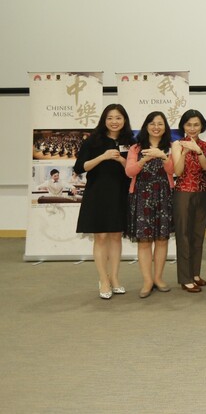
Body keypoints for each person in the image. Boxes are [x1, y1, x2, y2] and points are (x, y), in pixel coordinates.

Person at [74, 104, 134, 300]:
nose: (114, 121)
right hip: (98, 194)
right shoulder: (93, 140)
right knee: (100, 237)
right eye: (110, 118)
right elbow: (80, 167)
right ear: (104, 120)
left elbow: (133, 171)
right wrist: (103, 156)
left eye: (118, 118)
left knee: (116, 236)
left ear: (124, 120)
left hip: (120, 194)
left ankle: (115, 278)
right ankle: (103, 280)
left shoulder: (131, 142)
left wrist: (122, 161)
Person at [125, 111, 175, 298]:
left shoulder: (170, 147)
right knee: (144, 241)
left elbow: (174, 170)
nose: (156, 127)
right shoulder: (136, 148)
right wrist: (145, 159)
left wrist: (162, 156)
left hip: (163, 195)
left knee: (162, 239)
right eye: (152, 123)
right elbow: (129, 172)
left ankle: (159, 278)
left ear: (165, 127)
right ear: (146, 126)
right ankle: (147, 281)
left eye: (160, 123)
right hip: (141, 195)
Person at [170, 109, 206, 293]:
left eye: (196, 124)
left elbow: (205, 166)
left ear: (202, 126)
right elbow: (177, 172)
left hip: (202, 192)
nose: (192, 128)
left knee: (198, 235)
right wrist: (185, 153)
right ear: (183, 126)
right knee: (183, 235)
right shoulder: (177, 144)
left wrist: (198, 150)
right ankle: (185, 278)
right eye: (189, 125)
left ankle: (195, 274)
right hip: (183, 193)